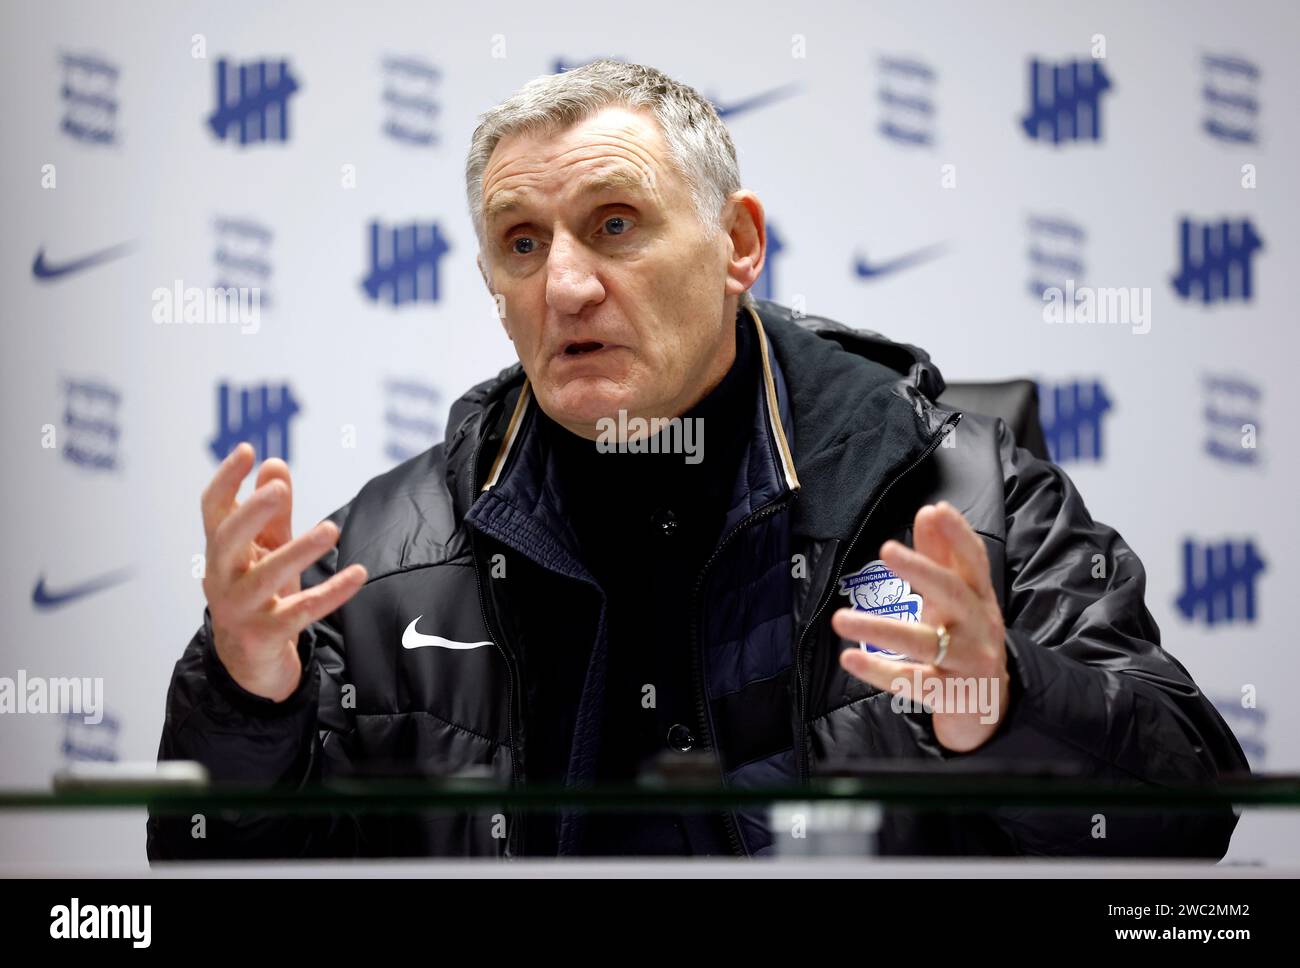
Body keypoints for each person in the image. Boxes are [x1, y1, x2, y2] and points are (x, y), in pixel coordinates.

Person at [147, 59, 1248, 861]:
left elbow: (1188, 810)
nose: (564, 284)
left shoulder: (962, 496)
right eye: (521, 243)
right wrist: (251, 702)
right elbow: (209, 859)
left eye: (614, 224)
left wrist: (1003, 705)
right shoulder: (385, 553)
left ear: (737, 244)